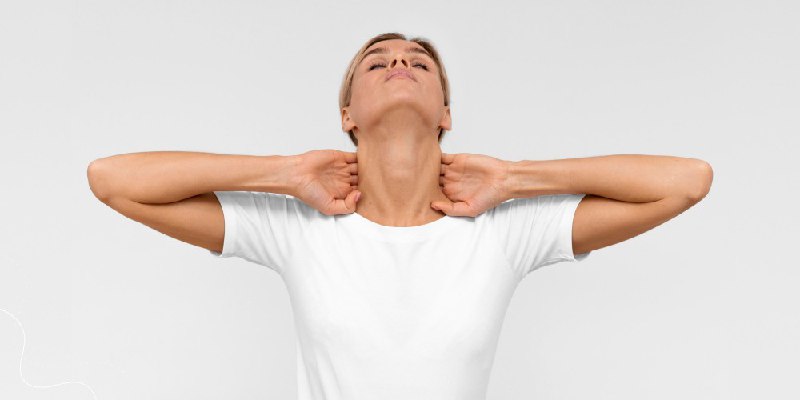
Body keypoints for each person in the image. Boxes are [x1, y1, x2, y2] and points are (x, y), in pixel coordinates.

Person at [87, 32, 713, 400]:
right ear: (347, 115)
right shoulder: (298, 228)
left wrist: (517, 178)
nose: (399, 63)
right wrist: (282, 172)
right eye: (377, 61)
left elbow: (686, 183)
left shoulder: (502, 232)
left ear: (446, 113)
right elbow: (113, 181)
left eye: (418, 61)